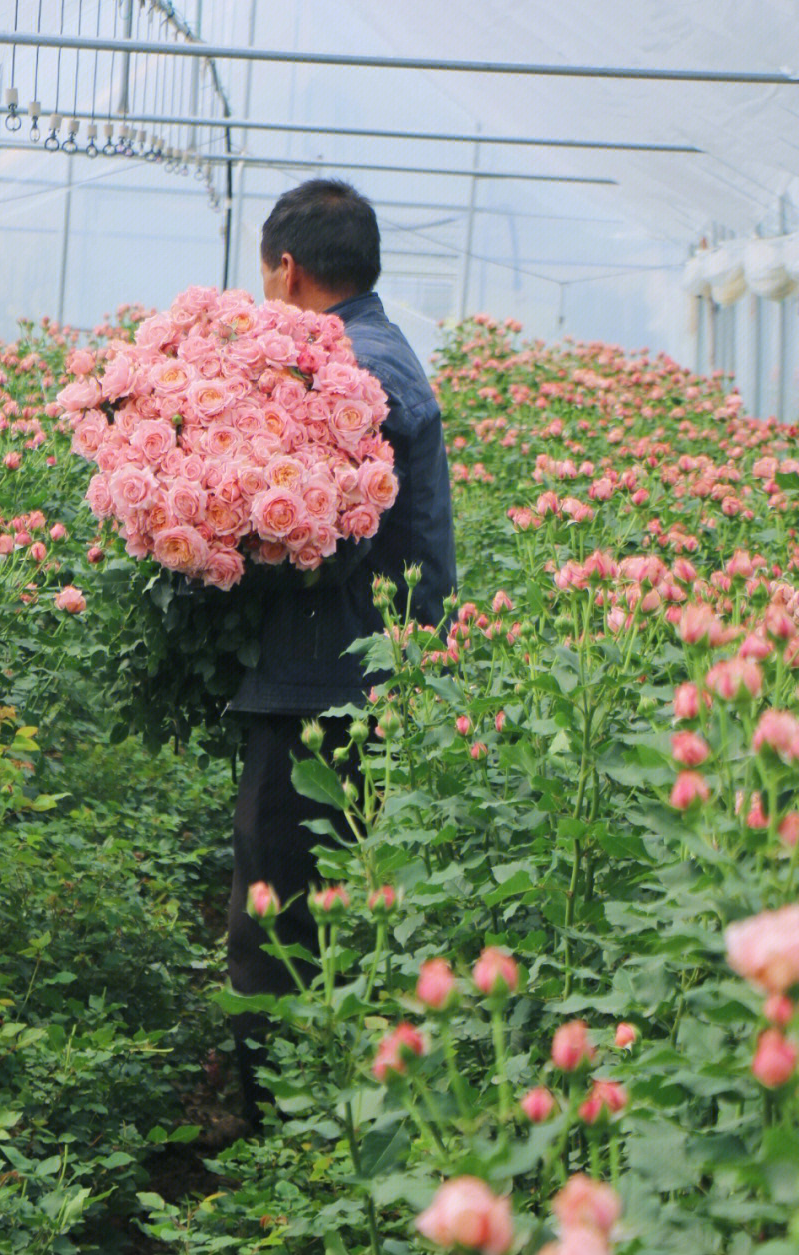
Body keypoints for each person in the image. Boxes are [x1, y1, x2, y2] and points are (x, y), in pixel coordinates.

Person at [226, 178, 457, 1127]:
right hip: (349, 676)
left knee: (280, 911)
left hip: (331, 685)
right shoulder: (372, 352)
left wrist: (221, 536)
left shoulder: (359, 375)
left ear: (287, 268)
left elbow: (330, 542)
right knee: (327, 905)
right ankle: (314, 1113)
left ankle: (280, 1130)